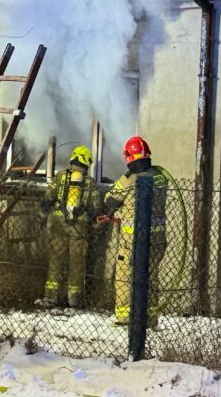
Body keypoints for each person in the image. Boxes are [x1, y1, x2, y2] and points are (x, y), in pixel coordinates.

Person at [99, 136, 170, 327]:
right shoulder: (160, 176)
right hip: (156, 240)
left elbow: (110, 199)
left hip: (132, 241)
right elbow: (138, 205)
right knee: (150, 278)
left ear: (129, 157)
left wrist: (125, 177)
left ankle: (124, 317)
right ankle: (149, 318)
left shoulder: (130, 179)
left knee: (123, 277)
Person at [36, 146, 100, 309]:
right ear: (86, 162)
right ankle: (74, 300)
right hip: (80, 227)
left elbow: (48, 199)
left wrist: (41, 218)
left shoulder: (60, 176)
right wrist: (95, 226)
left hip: (58, 224)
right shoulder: (90, 182)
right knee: (77, 264)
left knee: (55, 260)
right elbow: (96, 207)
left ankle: (50, 298)